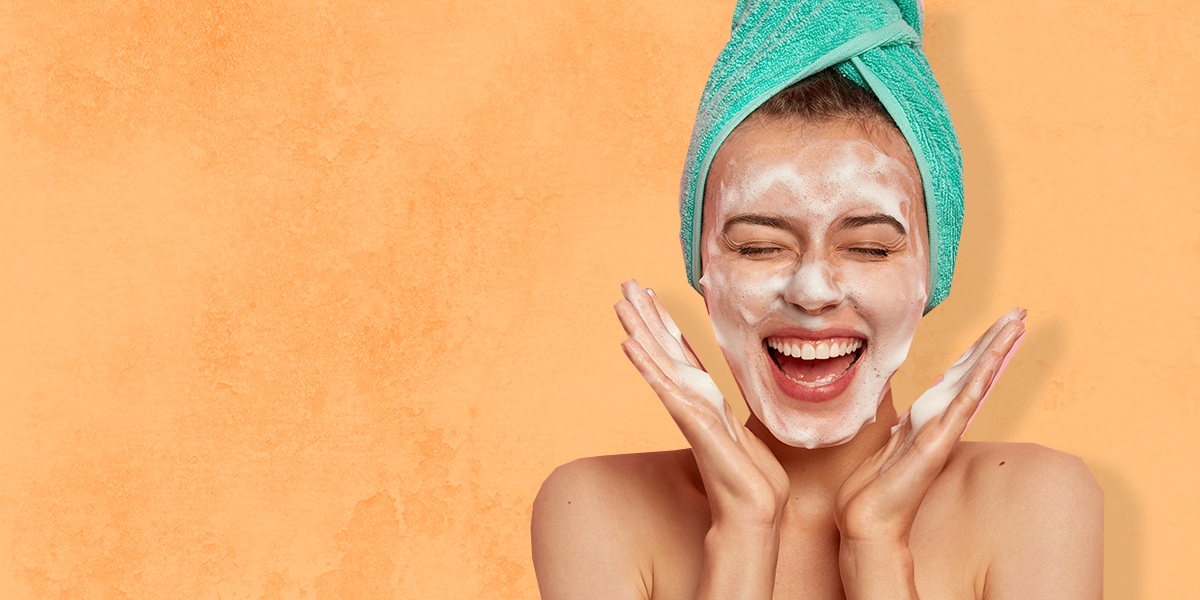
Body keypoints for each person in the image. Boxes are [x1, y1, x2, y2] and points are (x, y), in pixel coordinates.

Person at [532, 2, 1103, 599]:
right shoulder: (595, 508)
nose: (812, 290)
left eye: (870, 248)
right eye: (757, 246)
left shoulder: (1037, 501)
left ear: (932, 272)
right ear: (703, 268)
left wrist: (876, 544)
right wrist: (744, 530)